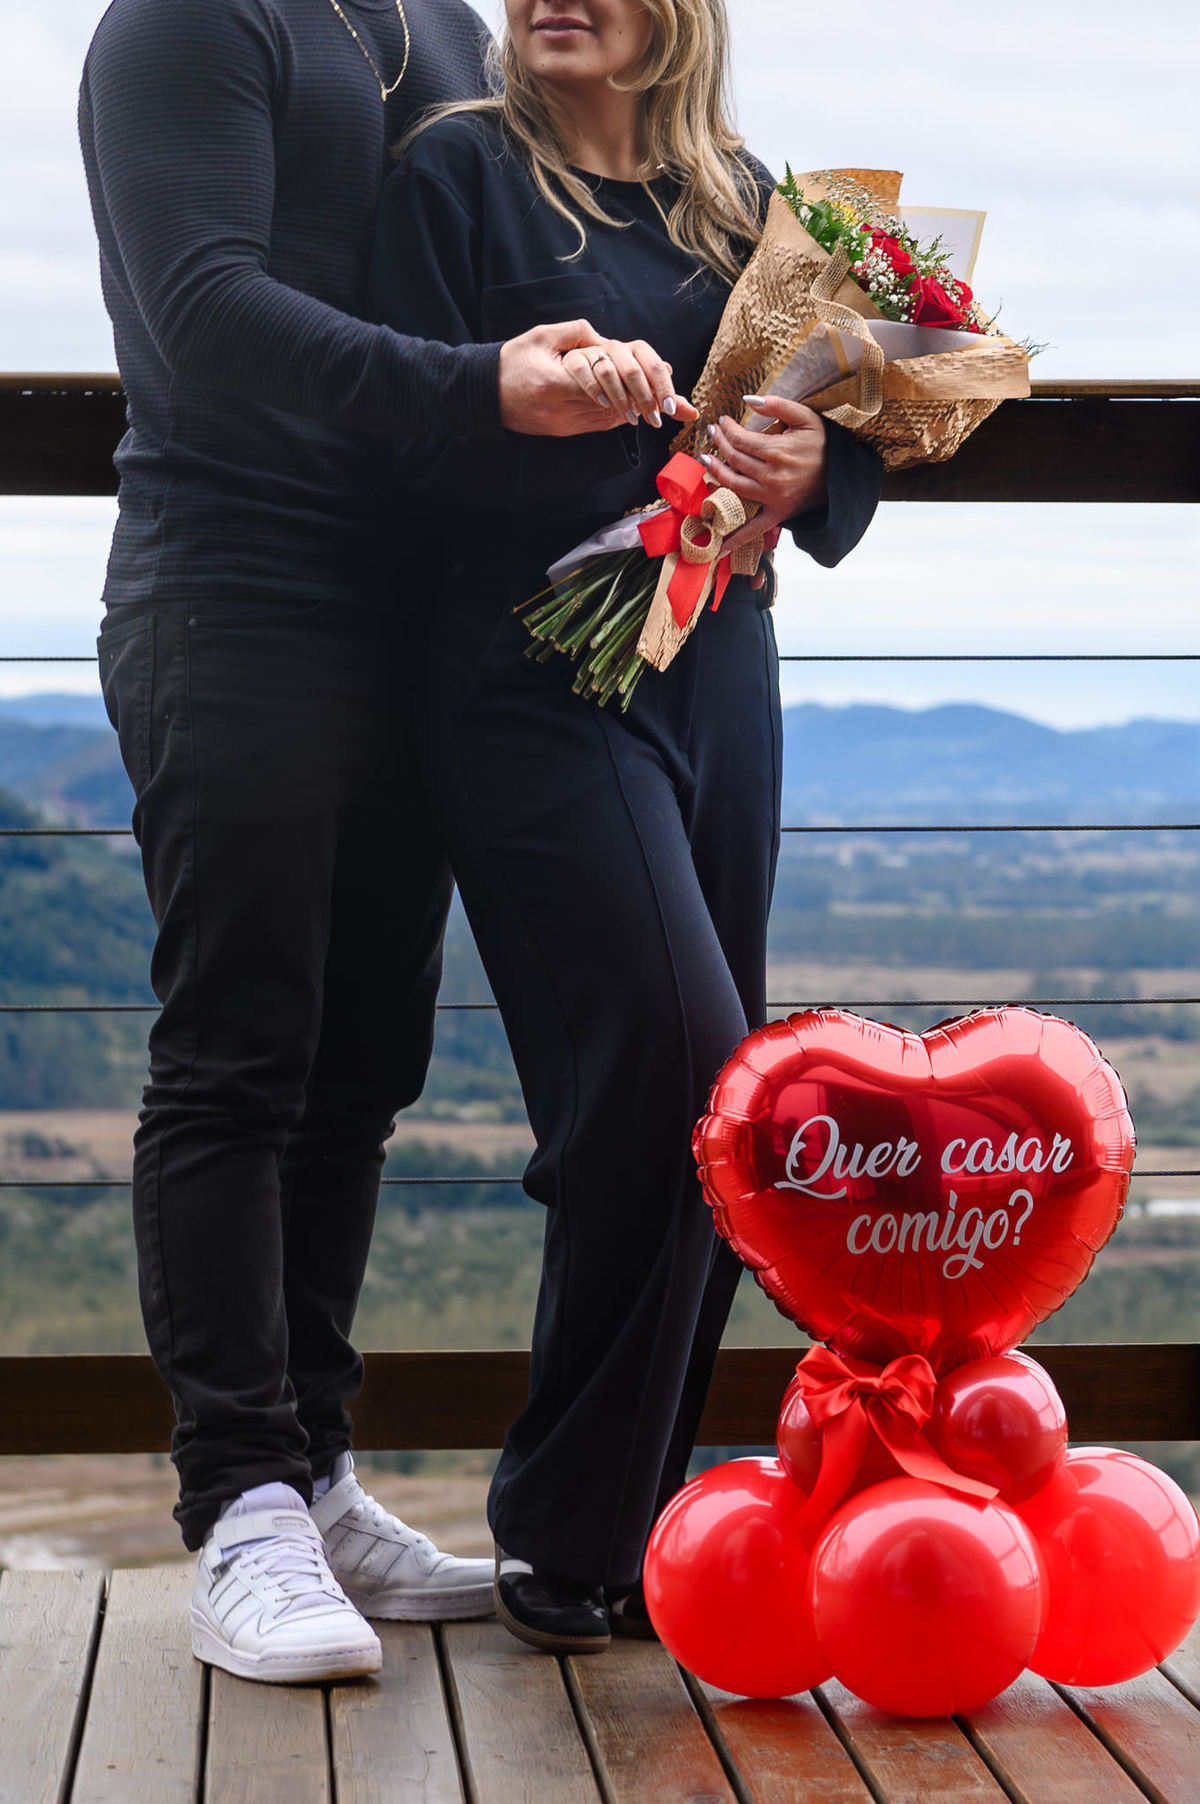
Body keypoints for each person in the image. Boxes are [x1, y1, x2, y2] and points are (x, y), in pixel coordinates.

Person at [77, 0, 694, 1687]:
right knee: (239, 1054)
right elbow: (205, 312)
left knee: (361, 1067)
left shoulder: (439, 23)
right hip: (233, 585)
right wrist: (482, 386)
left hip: (414, 605)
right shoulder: (185, 25)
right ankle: (240, 1505)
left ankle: (322, 1472)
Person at [369, 0, 883, 1653]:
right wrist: (567, 416)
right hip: (532, 684)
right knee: (669, 1063)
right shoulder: (453, 179)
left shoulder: (760, 202)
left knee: (714, 1113)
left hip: (721, 681)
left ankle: (644, 1519)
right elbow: (394, 442)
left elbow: (855, 452)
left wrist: (807, 468)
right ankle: (570, 1530)